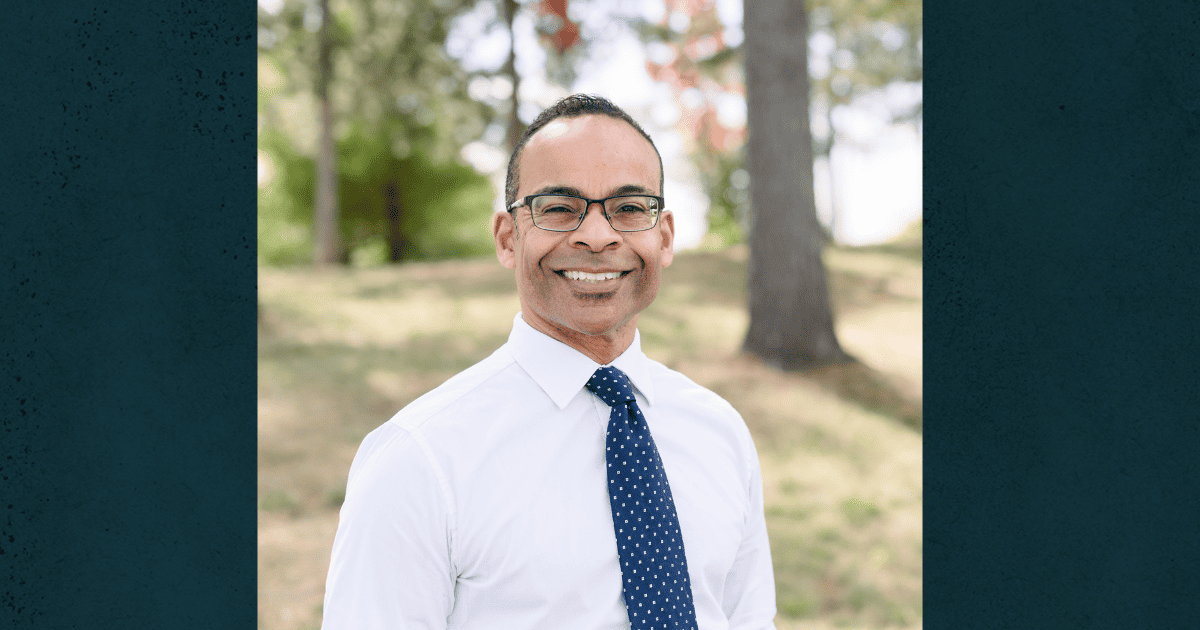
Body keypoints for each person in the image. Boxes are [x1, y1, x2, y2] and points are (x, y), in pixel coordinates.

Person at [321, 94, 777, 630]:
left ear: (664, 236)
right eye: (559, 208)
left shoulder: (719, 431)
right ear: (508, 238)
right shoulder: (420, 460)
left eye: (629, 209)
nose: (598, 235)